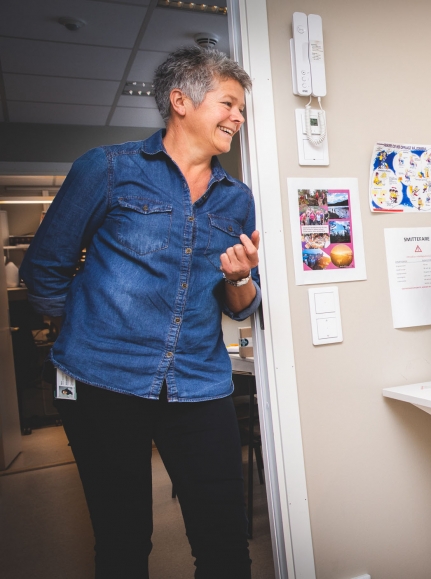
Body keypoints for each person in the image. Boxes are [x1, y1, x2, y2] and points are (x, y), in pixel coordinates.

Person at [20, 46, 260, 578]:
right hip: (102, 381)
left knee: (225, 547)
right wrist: (89, 331)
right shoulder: (107, 169)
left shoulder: (236, 199)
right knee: (124, 543)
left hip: (198, 383)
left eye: (241, 108)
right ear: (181, 100)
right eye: (228, 103)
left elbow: (240, 307)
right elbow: (45, 268)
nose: (238, 117)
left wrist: (240, 276)